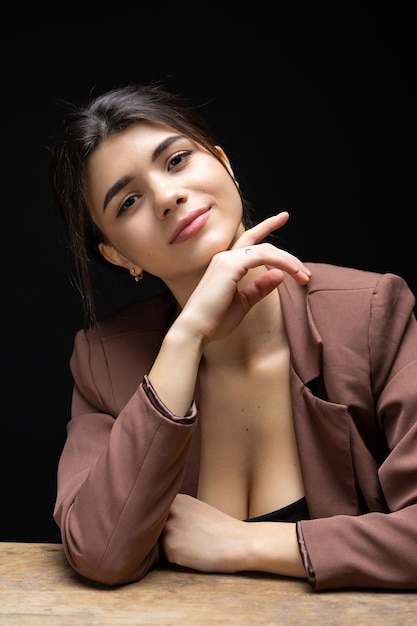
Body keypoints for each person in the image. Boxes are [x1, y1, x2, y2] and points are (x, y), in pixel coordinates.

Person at [50, 83, 417, 592]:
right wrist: (187, 337)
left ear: (225, 165)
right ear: (117, 254)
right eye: (129, 200)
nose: (166, 196)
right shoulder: (103, 361)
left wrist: (241, 544)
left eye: (177, 160)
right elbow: (99, 553)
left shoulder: (371, 314)